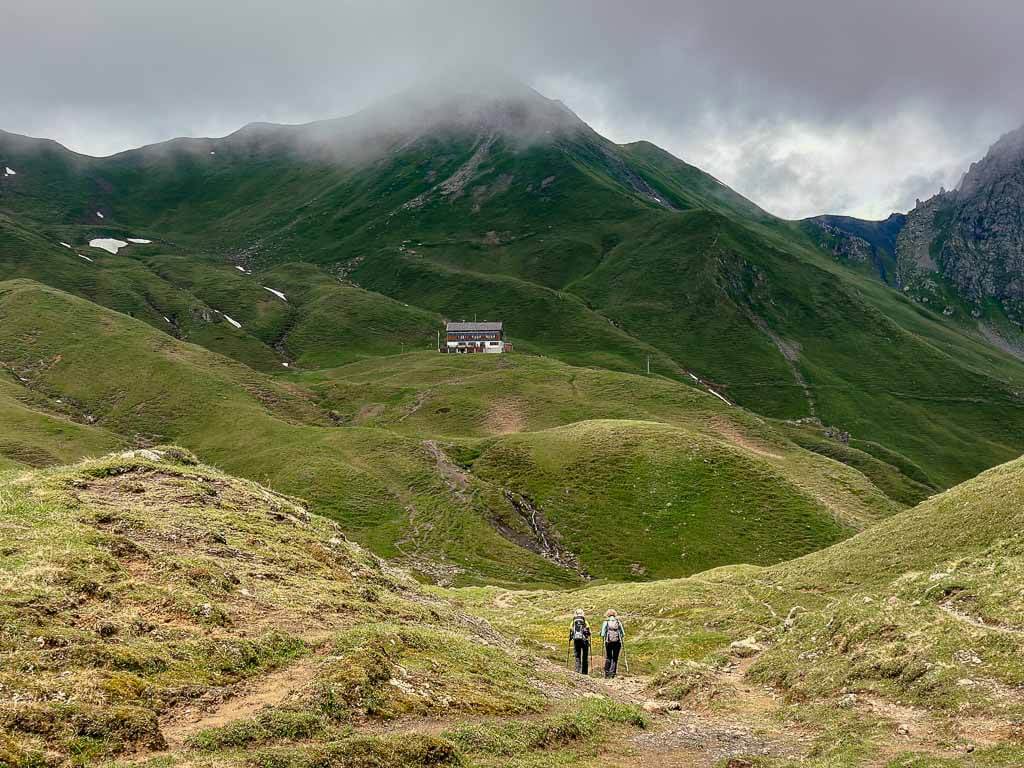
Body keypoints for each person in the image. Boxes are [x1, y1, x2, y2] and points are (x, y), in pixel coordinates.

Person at [601, 609, 625, 678]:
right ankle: (612, 674)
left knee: (608, 656)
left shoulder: (606, 622)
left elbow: (602, 634)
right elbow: (623, 633)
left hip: (608, 641)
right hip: (617, 642)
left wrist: (605, 635)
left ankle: (607, 673)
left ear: (607, 614)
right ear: (615, 614)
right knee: (615, 658)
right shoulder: (618, 621)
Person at [569, 608, 591, 675]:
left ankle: (577, 671)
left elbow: (571, 629)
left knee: (577, 656)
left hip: (576, 640)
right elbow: (588, 631)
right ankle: (584, 672)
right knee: (585, 656)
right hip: (584, 641)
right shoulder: (585, 621)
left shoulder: (573, 621)